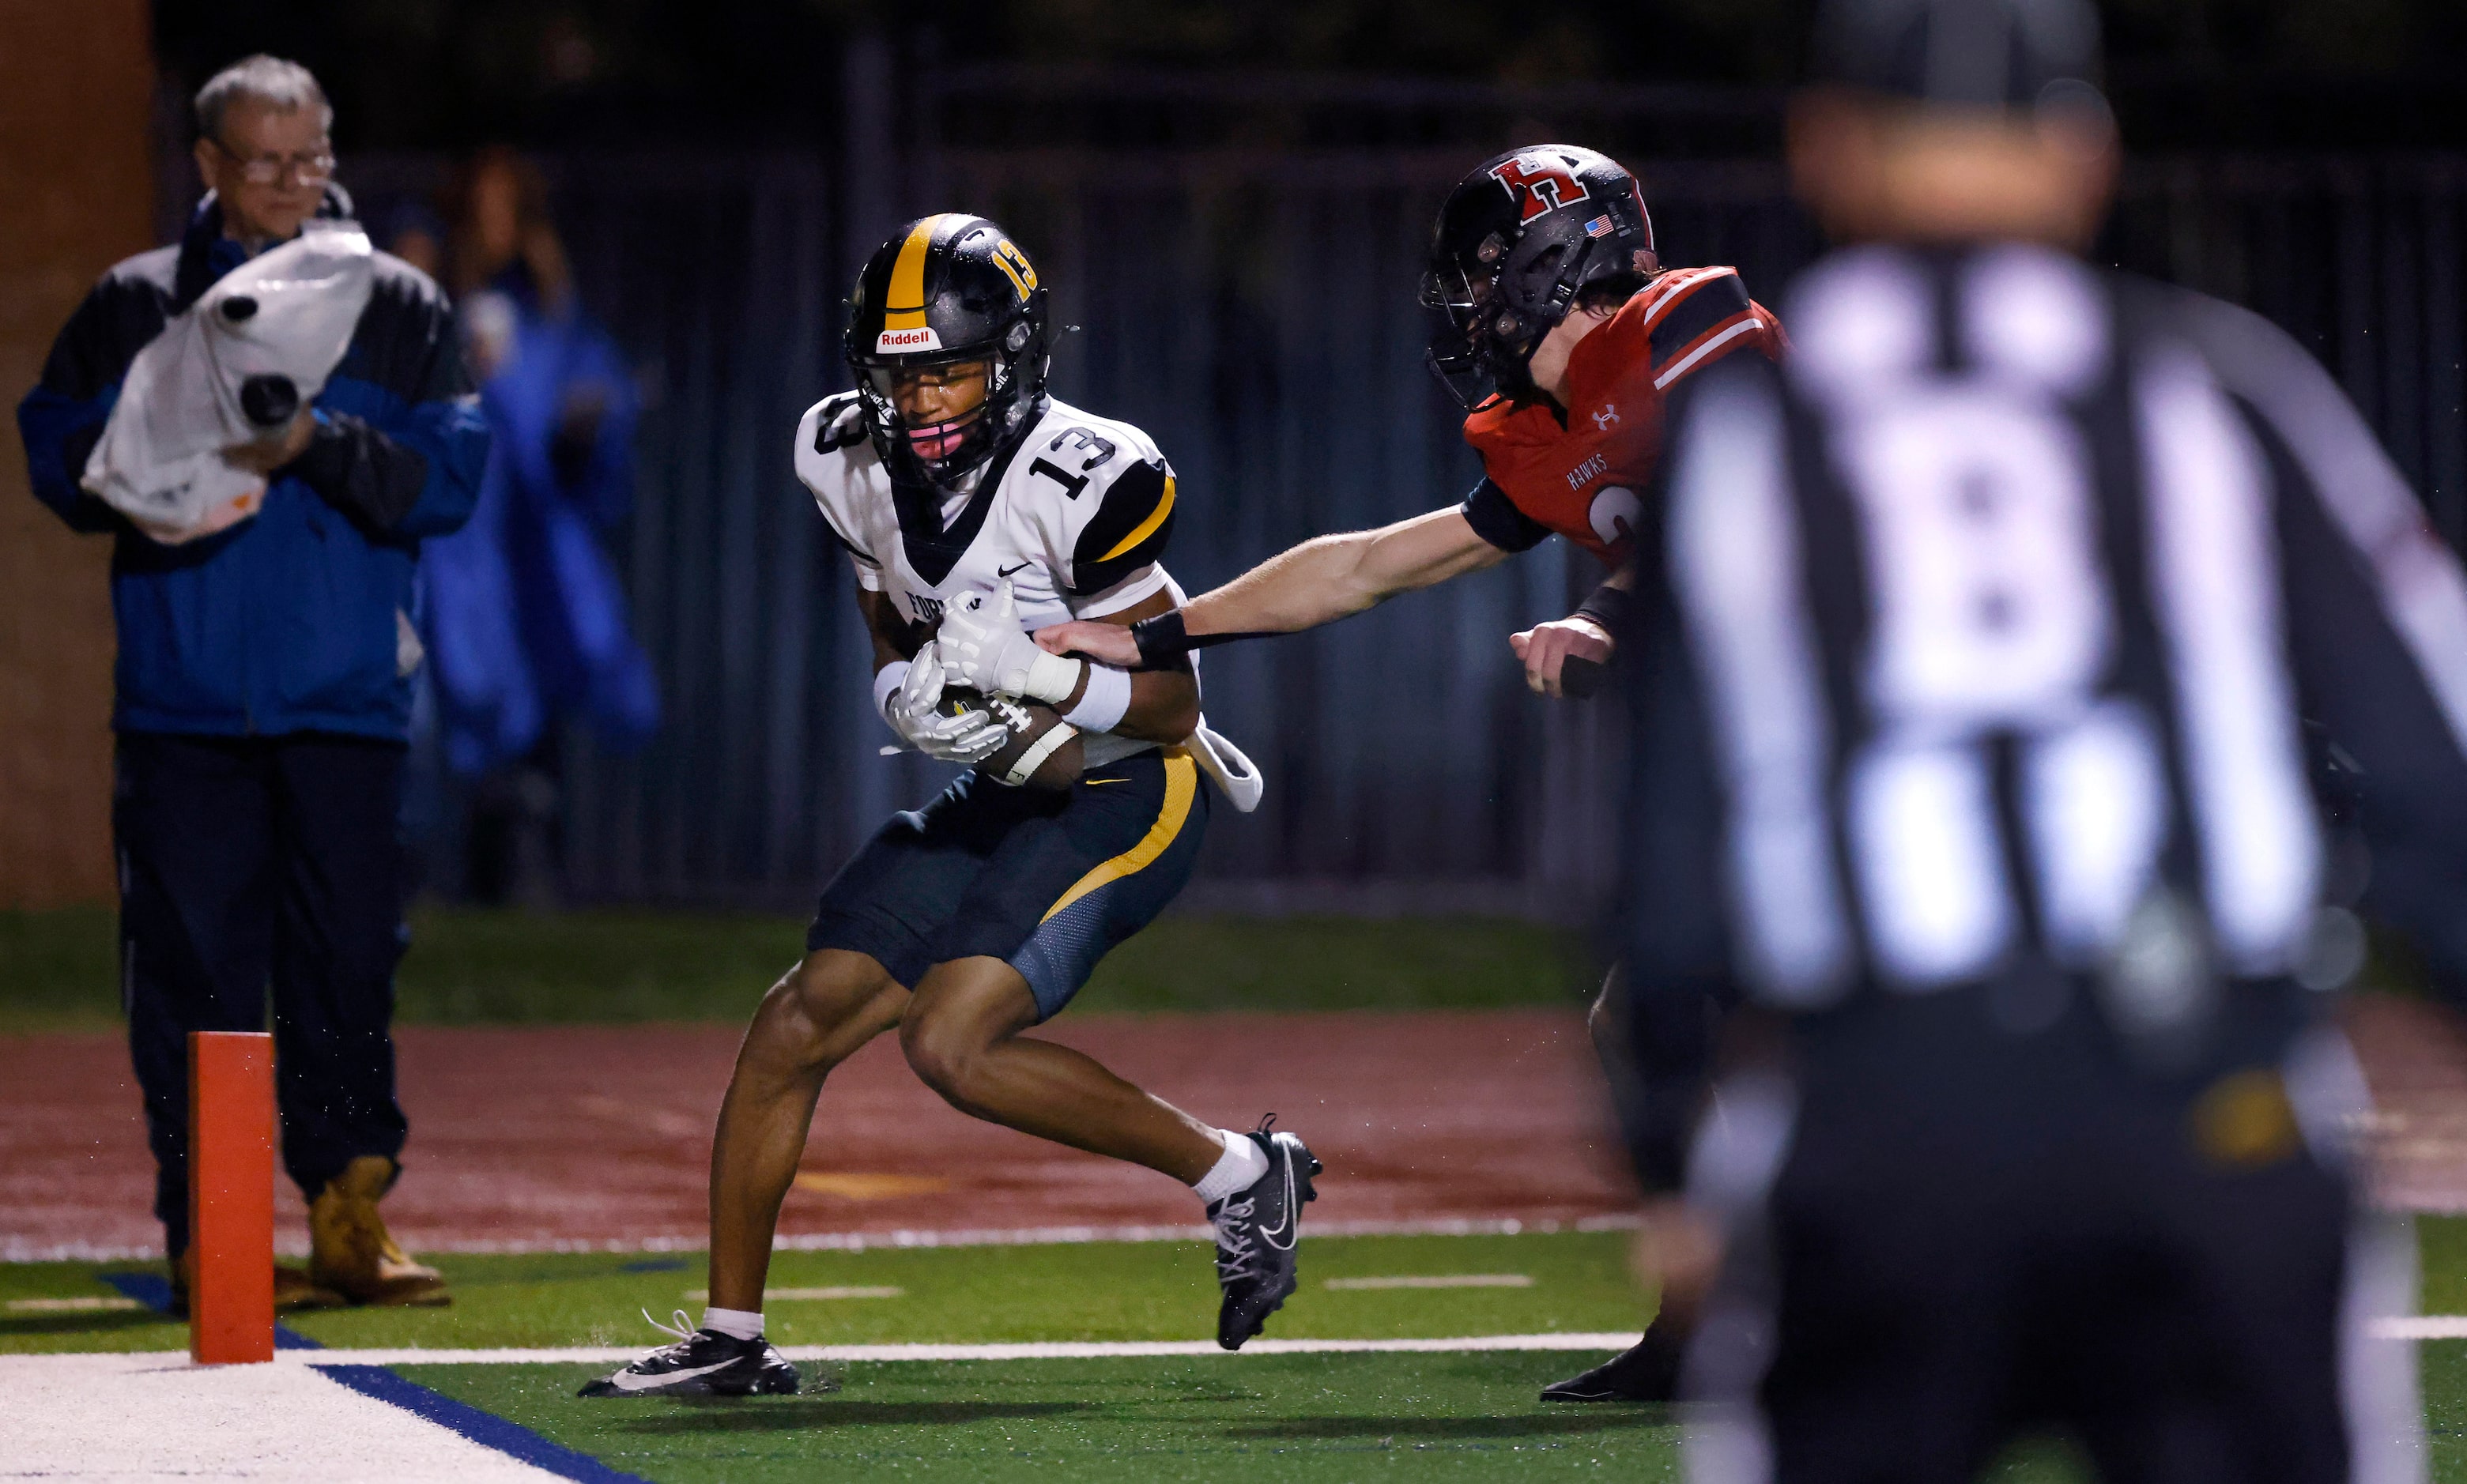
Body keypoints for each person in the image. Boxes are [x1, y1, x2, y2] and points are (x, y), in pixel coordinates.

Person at [1614, 0, 2461, 1475]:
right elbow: (2424, 760)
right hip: (2211, 1102)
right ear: (2082, 154)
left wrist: (1668, 1144)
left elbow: (1662, 833)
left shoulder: (1750, 437)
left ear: (1828, 152)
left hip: (1887, 1113)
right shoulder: (2221, 385)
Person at [1035, 143, 1785, 1403]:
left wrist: (1607, 614)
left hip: (1877, 732)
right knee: (1657, 1019)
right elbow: (1370, 564)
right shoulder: (1545, 433)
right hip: (1770, 754)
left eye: (1488, 270)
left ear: (1565, 252)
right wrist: (1162, 632)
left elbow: (1737, 504)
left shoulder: (1687, 324)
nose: (1469, 300)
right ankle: (1715, 1321)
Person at [581, 214, 1312, 1398]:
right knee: (796, 1019)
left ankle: (1239, 1173)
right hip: (1011, 779)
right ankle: (729, 1336)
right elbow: (889, 607)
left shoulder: (1087, 474)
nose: (921, 399)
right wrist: (898, 688)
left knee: (950, 1041)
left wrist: (1030, 677)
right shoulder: (841, 453)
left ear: (1013, 361)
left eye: (950, 367)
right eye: (900, 368)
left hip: (1128, 783)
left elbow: (1173, 705)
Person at [14, 55, 487, 1312]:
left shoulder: (399, 304)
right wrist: (157, 436)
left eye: (312, 155)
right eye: (264, 161)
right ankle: (205, 1233)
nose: (292, 183)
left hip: (346, 705)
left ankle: (349, 1212)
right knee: (192, 974)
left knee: (346, 968)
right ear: (210, 167)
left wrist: (312, 445)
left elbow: (449, 480)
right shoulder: (133, 304)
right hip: (182, 707)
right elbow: (56, 458)